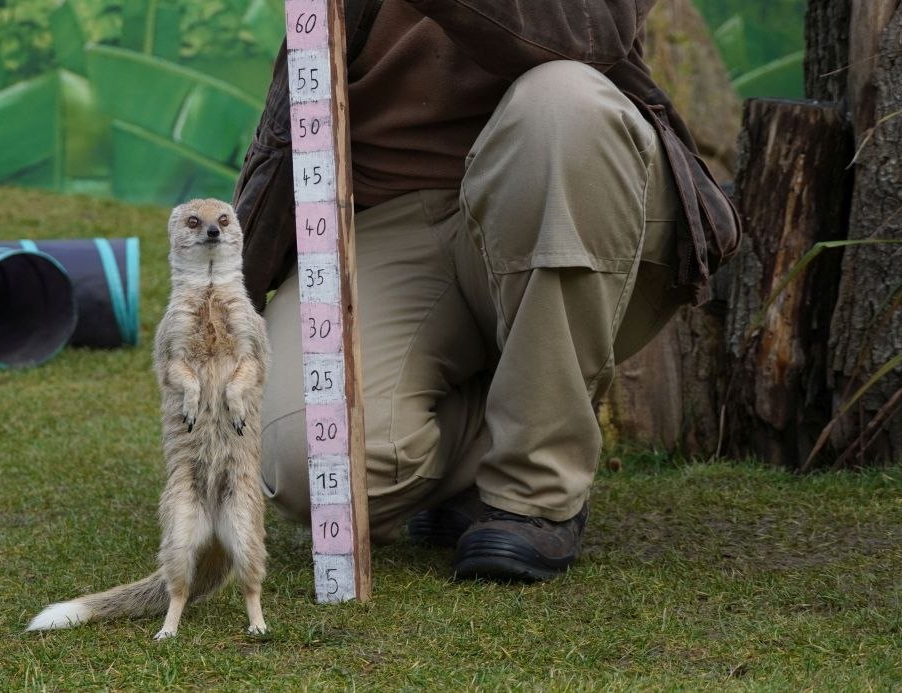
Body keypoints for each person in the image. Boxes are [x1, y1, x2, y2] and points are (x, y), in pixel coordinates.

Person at [232, 0, 739, 582]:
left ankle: (535, 488)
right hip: (384, 222)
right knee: (311, 468)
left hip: (566, 195)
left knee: (565, 100)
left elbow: (586, 35)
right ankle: (510, 425)